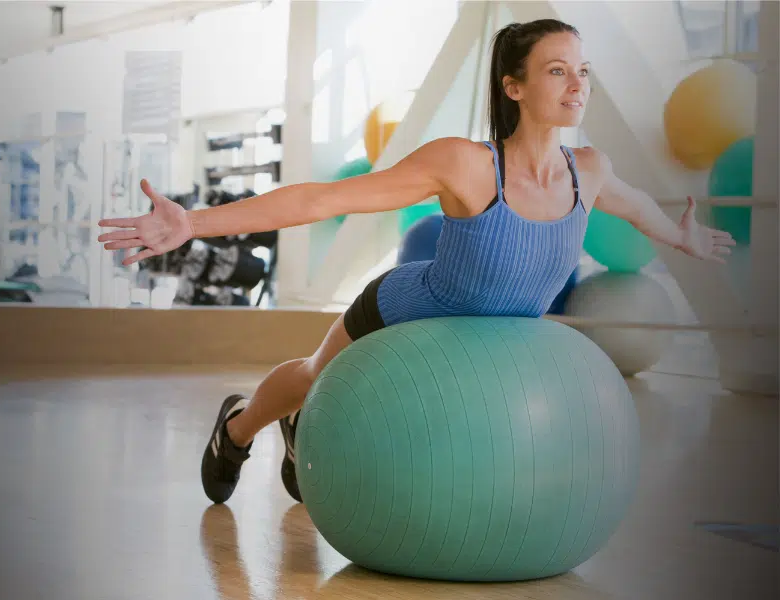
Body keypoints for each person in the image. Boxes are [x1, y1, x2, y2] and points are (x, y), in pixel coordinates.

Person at [97, 19, 734, 504]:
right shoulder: (464, 164)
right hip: (407, 310)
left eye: (584, 71)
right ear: (514, 87)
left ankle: (296, 429)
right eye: (557, 71)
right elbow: (325, 198)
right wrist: (195, 224)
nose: (578, 85)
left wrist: (687, 240)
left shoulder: (587, 171)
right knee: (316, 372)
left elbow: (639, 207)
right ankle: (237, 431)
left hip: (487, 350)